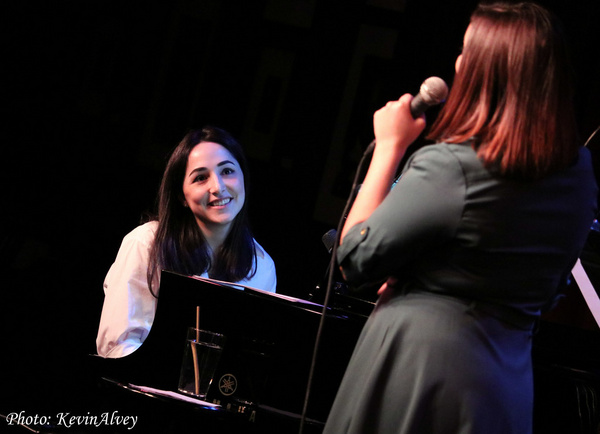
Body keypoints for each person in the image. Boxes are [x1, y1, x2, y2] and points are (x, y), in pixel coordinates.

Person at [323, 2, 597, 433]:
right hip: (505, 380)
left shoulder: (454, 166)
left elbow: (354, 257)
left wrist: (390, 146)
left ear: (490, 71)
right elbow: (548, 289)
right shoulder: (578, 175)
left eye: (468, 51)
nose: (457, 62)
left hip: (423, 370)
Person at [96, 126, 277, 358]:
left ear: (243, 177)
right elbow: (117, 345)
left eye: (228, 171)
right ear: (181, 195)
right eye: (201, 178)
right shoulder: (145, 244)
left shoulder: (261, 265)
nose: (218, 187)